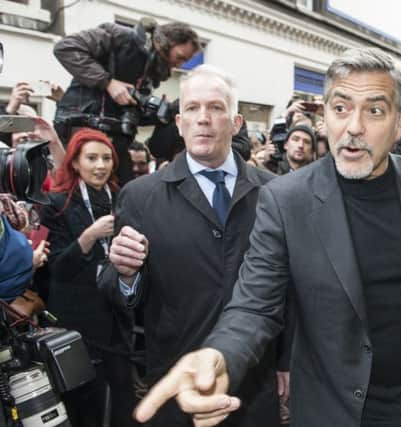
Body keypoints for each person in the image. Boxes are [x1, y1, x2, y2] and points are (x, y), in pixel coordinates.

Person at [133, 47, 401, 427]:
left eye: (374, 111)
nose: (354, 127)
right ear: (324, 117)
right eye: (341, 108)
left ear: (399, 124)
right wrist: (220, 356)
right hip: (328, 413)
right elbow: (254, 305)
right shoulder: (286, 199)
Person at [100, 65, 279, 426]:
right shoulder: (140, 196)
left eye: (215, 108)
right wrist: (125, 273)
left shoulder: (275, 192)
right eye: (193, 109)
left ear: (236, 122)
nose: (203, 119)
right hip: (175, 382)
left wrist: (289, 363)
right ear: (179, 123)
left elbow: (290, 290)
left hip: (255, 385)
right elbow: (117, 295)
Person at [39, 128, 136, 427]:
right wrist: (89, 237)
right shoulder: (56, 204)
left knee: (123, 394)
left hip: (116, 314)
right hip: (74, 318)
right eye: (91, 158)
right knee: (82, 400)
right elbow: (56, 268)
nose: (100, 166)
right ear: (76, 163)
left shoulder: (124, 198)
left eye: (107, 158)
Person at [53, 19, 199, 184]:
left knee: (125, 195)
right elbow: (66, 47)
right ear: (168, 42)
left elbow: (134, 111)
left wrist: (169, 110)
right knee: (78, 193)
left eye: (184, 61)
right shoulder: (120, 37)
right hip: (82, 130)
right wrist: (107, 83)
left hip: (115, 141)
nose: (179, 64)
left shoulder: (152, 72)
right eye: (180, 57)